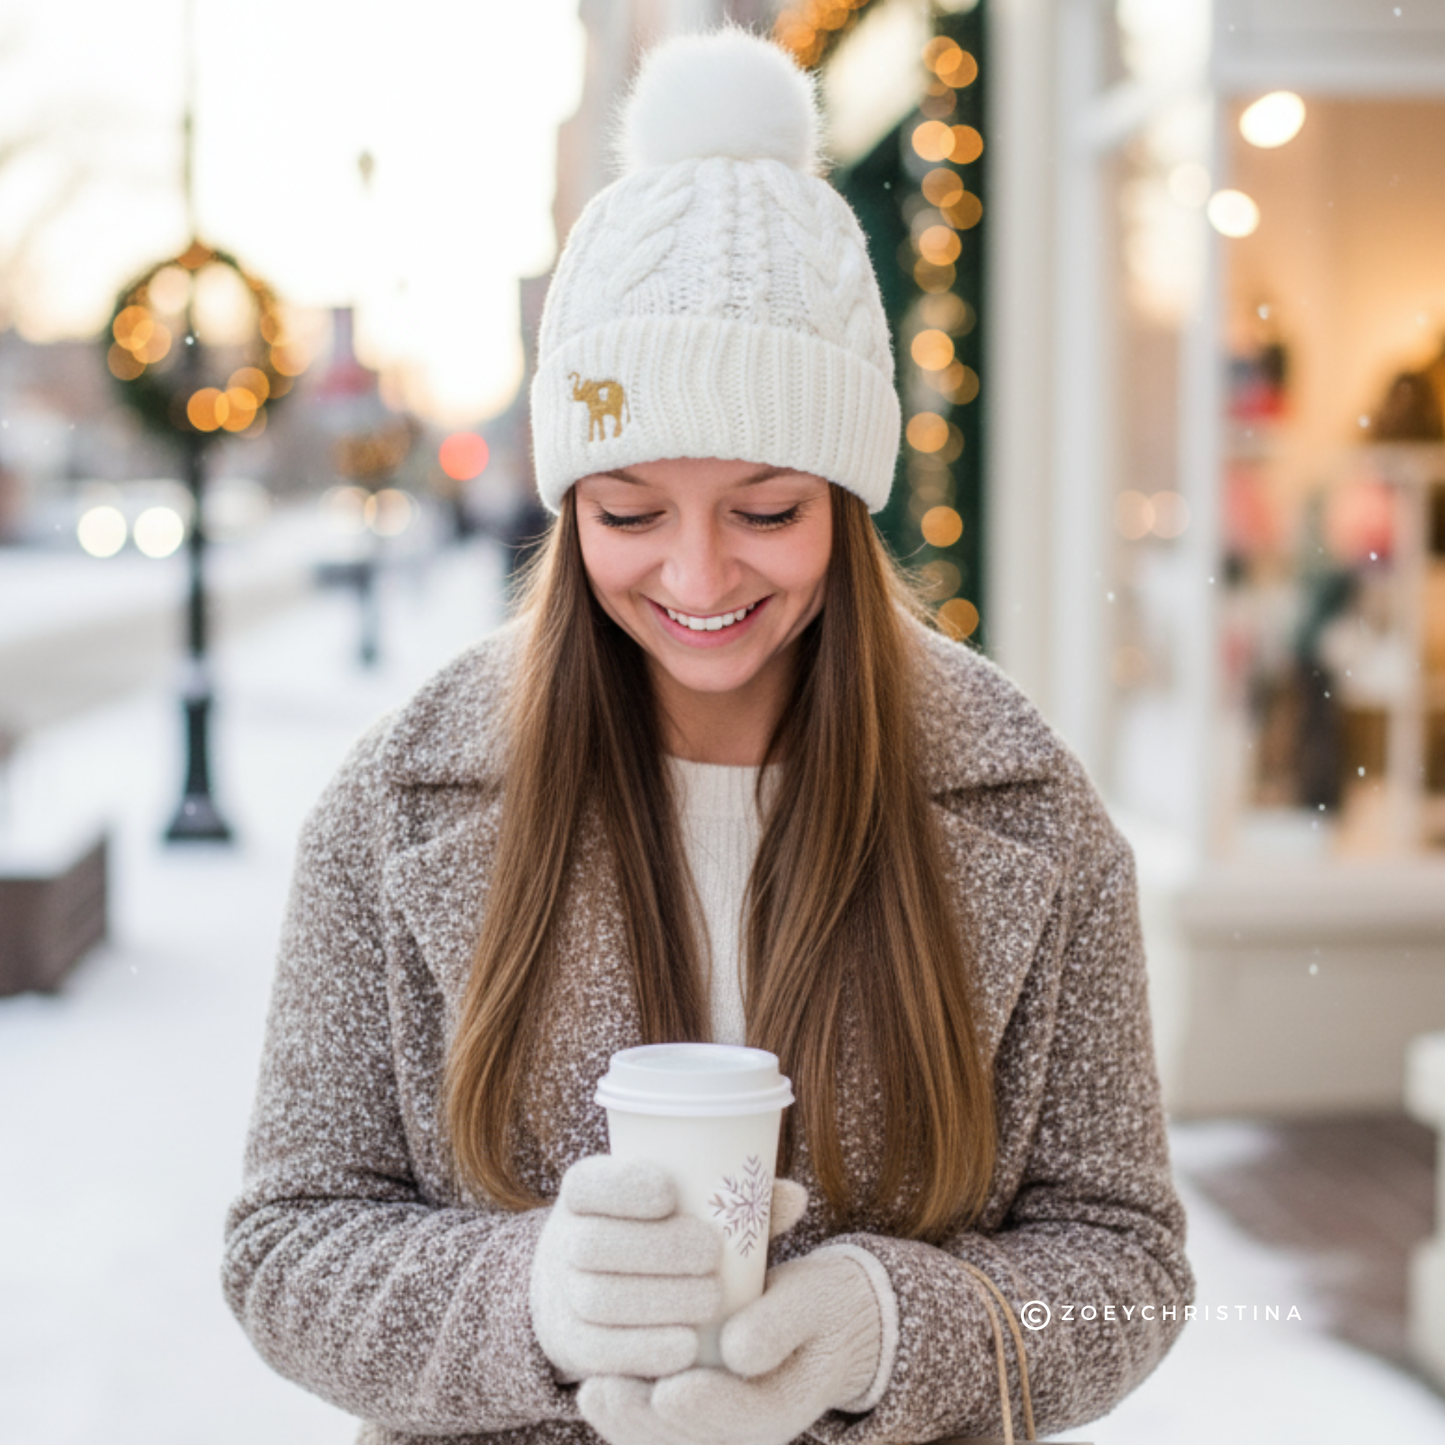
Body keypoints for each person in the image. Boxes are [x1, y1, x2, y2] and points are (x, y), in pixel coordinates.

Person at [223, 28, 1193, 1445]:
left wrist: (892, 1327)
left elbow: (1126, 1277)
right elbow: (288, 1248)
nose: (695, 578)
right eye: (627, 513)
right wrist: (533, 1304)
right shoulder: (400, 808)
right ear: (567, 511)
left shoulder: (1022, 807)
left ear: (849, 502)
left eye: (765, 510)